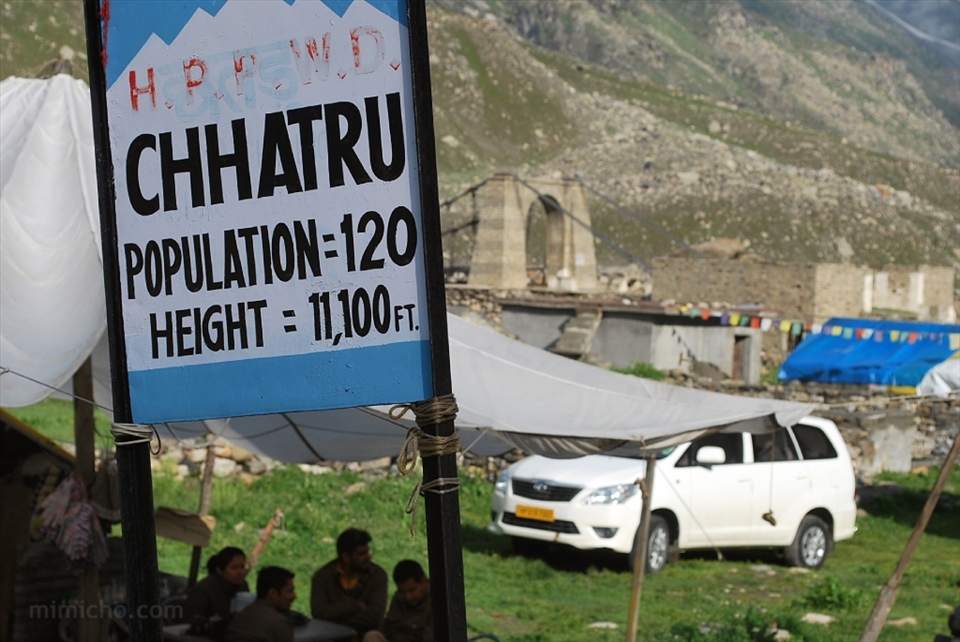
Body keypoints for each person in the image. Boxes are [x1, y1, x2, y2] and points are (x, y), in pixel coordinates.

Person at [311, 528, 388, 637]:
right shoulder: (323, 577)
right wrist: (356, 606)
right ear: (346, 557)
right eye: (362, 554)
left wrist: (334, 621)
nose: (368, 557)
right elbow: (319, 612)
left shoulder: (377, 575)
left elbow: (374, 617)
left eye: (367, 552)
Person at [362, 560, 432, 642]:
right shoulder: (399, 598)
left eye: (412, 590)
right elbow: (386, 628)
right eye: (402, 591)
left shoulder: (435, 603)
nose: (408, 597)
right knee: (372, 636)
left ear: (425, 582)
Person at [225, 566, 297, 642]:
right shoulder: (279, 623)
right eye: (290, 591)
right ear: (273, 593)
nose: (294, 596)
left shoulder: (240, 616)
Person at [184, 547, 250, 626]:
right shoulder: (203, 590)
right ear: (220, 570)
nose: (240, 572)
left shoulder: (242, 586)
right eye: (234, 568)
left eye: (242, 567)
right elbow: (191, 622)